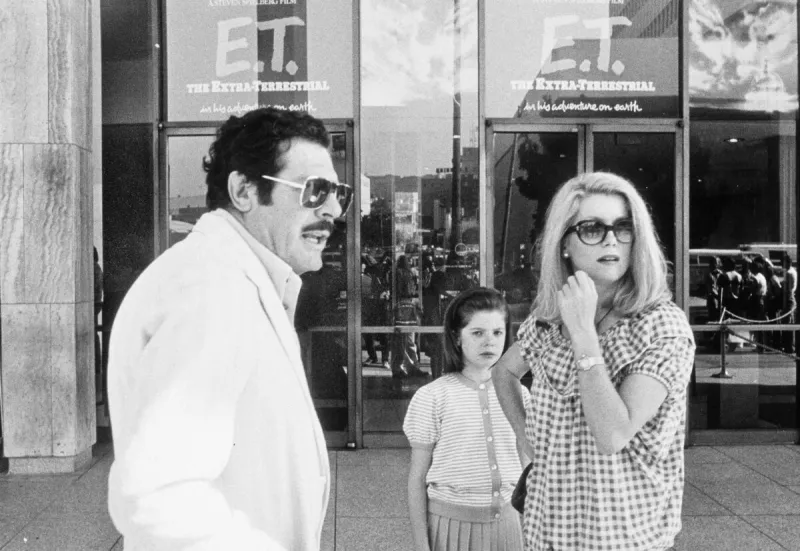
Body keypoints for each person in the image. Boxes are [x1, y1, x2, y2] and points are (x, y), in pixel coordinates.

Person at [106, 107, 352, 550]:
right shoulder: (210, 292)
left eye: (338, 194)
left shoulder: (230, 280)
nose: (334, 210)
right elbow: (161, 498)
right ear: (243, 190)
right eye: (315, 191)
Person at [492, 172, 695, 550]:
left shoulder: (659, 327)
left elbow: (612, 435)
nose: (611, 240)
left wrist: (584, 334)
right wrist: (525, 434)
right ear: (564, 243)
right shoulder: (550, 319)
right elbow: (504, 372)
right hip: (547, 529)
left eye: (623, 227)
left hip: (624, 537)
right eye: (592, 228)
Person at [404, 287, 528, 551]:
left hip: (509, 527)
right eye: (477, 333)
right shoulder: (433, 397)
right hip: (451, 529)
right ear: (457, 337)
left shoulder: (522, 395)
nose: (489, 342)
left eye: (497, 332)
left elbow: (528, 464)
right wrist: (421, 545)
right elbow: (417, 479)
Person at [781, 253, 797, 353]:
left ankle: (789, 346)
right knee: (789, 322)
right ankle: (789, 345)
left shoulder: (789, 273)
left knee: (788, 323)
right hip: (791, 298)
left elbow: (789, 289)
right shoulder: (793, 271)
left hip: (788, 299)